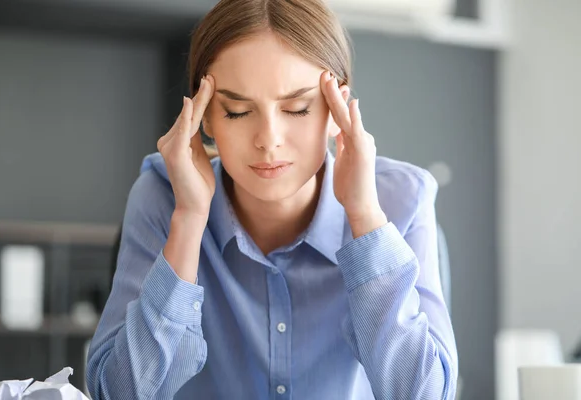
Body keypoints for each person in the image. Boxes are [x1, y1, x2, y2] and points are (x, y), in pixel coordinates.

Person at [86, 0, 458, 398]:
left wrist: (364, 216)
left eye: (297, 109)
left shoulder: (403, 202)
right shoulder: (162, 195)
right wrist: (189, 219)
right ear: (204, 117)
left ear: (337, 110)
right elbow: (117, 393)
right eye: (237, 111)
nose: (268, 140)